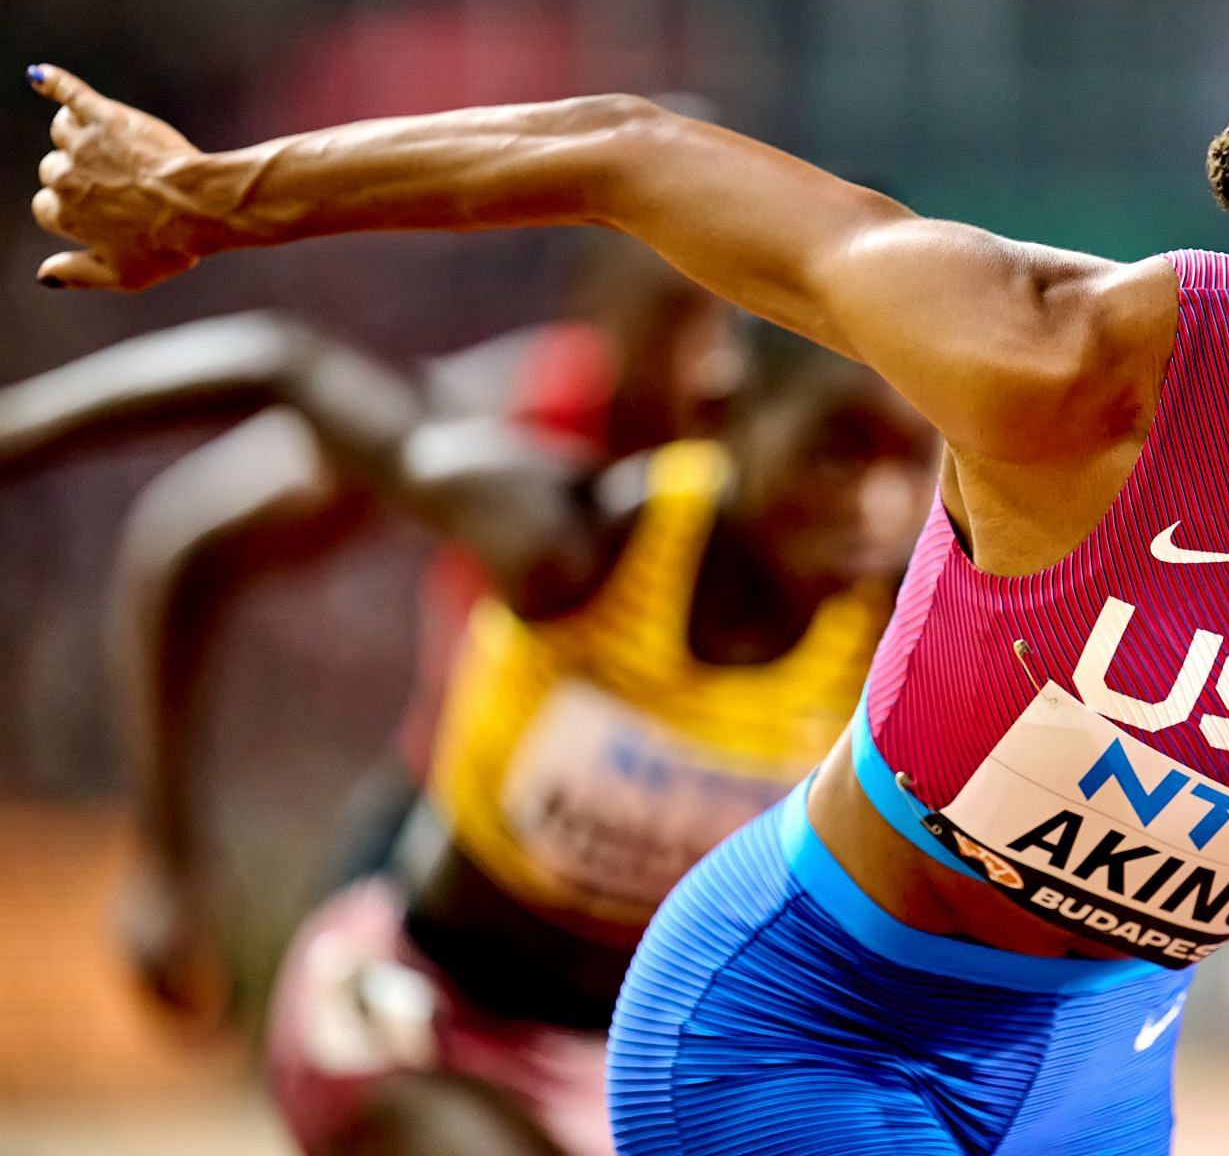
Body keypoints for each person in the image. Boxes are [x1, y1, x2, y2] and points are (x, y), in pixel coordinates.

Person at [24, 0, 1229, 1156]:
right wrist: (206, 198)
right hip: (800, 1016)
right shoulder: (1069, 362)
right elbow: (620, 151)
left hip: (1099, 1061)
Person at [0, 310, 937, 1154]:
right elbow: (286, 365)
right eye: (836, 451)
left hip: (618, 1072)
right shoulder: (573, 544)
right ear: (726, 410)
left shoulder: (894, 620)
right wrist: (22, 428)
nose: (877, 506)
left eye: (911, 460)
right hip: (419, 1021)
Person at [100, 236, 739, 1028]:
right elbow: (189, 543)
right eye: (679, 317)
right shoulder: (490, 422)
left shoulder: (804, 480)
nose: (712, 365)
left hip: (671, 905)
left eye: (741, 323)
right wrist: (169, 861)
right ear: (598, 308)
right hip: (443, 877)